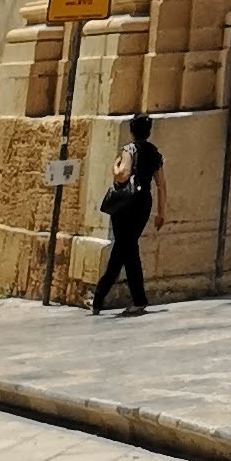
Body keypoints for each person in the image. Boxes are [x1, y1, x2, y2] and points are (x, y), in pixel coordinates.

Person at [91, 112, 164, 315]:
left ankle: (102, 296)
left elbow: (122, 175)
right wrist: (161, 212)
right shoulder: (154, 152)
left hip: (125, 205)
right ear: (148, 131)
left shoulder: (128, 150)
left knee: (124, 249)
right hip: (143, 204)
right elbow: (161, 184)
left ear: (132, 131)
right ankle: (110, 298)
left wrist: (115, 165)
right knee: (128, 249)